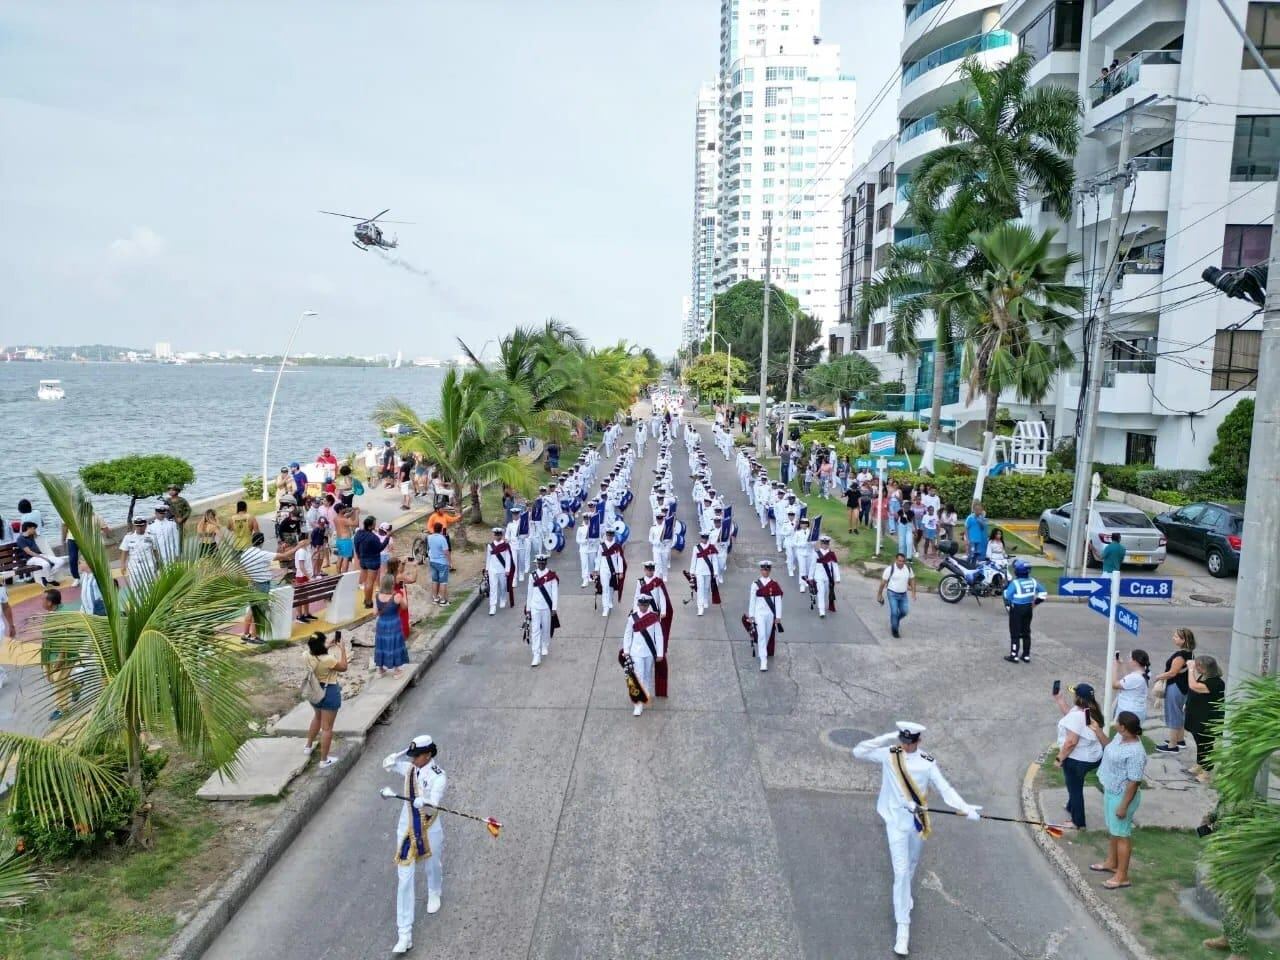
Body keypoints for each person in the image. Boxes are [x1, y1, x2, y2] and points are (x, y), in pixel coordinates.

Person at [852, 722, 982, 956]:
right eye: (903, 741)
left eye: (910, 743)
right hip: (895, 824)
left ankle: (906, 896)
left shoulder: (927, 763)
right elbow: (858, 751)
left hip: (917, 823)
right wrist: (887, 736)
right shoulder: (890, 755)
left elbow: (945, 788)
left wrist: (964, 808)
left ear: (919, 741)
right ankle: (903, 928)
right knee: (900, 873)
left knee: (911, 865)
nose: (907, 747)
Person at [383, 735, 446, 954]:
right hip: (407, 830)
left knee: (433, 865)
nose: (411, 760)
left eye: (415, 756)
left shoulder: (439, 776)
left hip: (429, 829)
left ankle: (434, 890)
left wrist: (426, 803)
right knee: (404, 881)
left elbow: (434, 805)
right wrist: (397, 755)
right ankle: (404, 933)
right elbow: (388, 765)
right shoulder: (410, 768)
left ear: (428, 755)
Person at [1090, 710, 1147, 889]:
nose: (1114, 723)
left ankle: (1122, 876)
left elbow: (1134, 782)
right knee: (1114, 831)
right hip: (1111, 790)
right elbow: (1109, 748)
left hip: (1123, 797)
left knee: (1122, 835)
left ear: (1123, 727)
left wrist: (1123, 807)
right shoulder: (1119, 737)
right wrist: (1098, 731)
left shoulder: (1136, 752)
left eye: (1117, 722)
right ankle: (1111, 862)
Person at [1052, 682, 1104, 830]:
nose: (1072, 694)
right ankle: (1071, 806)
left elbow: (1071, 742)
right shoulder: (1088, 711)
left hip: (1078, 760)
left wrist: (1059, 759)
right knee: (1074, 785)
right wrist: (1060, 700)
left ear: (1079, 698)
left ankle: (1078, 822)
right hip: (1092, 757)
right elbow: (1072, 718)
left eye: (1074, 693)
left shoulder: (1078, 716)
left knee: (1075, 788)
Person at [238, 532, 298, 644]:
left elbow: (242, 570)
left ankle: (246, 634)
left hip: (251, 583)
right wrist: (298, 547)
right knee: (259, 611)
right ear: (262, 542)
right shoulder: (262, 554)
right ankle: (254, 636)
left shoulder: (245, 553)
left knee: (251, 609)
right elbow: (284, 556)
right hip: (262, 584)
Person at [303, 630, 347, 767]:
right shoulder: (329, 660)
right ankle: (324, 760)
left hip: (314, 690)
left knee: (317, 717)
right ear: (320, 644)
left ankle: (308, 746)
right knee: (327, 728)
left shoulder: (305, 655)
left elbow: (317, 655)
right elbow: (344, 667)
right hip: (329, 692)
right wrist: (343, 649)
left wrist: (326, 646)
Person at [620, 594, 664, 716]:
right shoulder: (632, 618)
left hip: (650, 651)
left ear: (648, 605)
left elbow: (659, 635)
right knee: (638, 676)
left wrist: (660, 653)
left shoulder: (654, 618)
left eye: (646, 605)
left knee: (648, 674)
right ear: (638, 604)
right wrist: (626, 650)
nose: (643, 607)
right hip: (636, 652)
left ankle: (647, 693)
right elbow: (628, 634)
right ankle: (638, 704)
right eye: (641, 605)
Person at [1154, 628, 1195, 753]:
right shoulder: (1190, 653)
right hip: (1184, 687)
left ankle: (1172, 745)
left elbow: (1172, 673)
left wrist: (1158, 677)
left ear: (1184, 640)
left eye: (1176, 637)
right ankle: (1180, 740)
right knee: (1179, 713)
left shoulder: (1180, 656)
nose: (1173, 638)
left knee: (1173, 714)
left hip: (1176, 686)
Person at [1185, 655, 1225, 780]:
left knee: (1206, 744)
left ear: (1203, 668)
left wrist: (1190, 669)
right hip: (1198, 716)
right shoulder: (1204, 676)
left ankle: (1207, 772)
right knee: (1199, 742)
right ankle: (1199, 764)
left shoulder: (1216, 682)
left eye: (1197, 665)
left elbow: (1193, 686)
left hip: (1207, 720)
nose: (1195, 667)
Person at [1002, 559, 1047, 664]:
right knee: (1026, 632)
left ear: (1017, 571)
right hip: (1028, 609)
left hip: (1017, 609)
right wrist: (1034, 603)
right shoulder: (1033, 581)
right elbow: (1043, 593)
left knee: (1015, 633)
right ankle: (1026, 655)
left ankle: (1014, 655)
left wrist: (1005, 588)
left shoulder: (1015, 583)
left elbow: (1007, 596)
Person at [746, 559, 783, 672]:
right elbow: (752, 600)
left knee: (766, 635)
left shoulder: (774, 584)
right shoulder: (755, 584)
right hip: (759, 614)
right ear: (760, 570)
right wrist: (751, 615)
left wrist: (778, 616)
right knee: (761, 635)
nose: (765, 572)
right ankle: (763, 659)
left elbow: (777, 601)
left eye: (767, 570)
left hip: (770, 614)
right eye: (763, 569)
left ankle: (763, 651)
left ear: (770, 570)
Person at [525, 553, 558, 667]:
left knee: (546, 628)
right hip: (535, 606)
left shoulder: (551, 575)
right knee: (535, 630)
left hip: (546, 607)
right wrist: (528, 608)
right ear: (536, 563)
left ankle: (545, 645)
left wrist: (554, 608)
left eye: (543, 563)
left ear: (546, 563)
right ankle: (536, 655)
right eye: (539, 563)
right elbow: (530, 592)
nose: (541, 565)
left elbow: (554, 592)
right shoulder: (532, 576)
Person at [13, 520, 69, 586]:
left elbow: (37, 535)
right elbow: (29, 552)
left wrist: (42, 556)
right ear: (28, 528)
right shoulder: (20, 539)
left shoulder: (31, 535)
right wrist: (42, 557)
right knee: (46, 564)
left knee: (60, 561)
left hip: (39, 555)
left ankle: (45, 578)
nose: (35, 530)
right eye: (33, 529)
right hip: (30, 558)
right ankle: (50, 580)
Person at [374, 574, 409, 677]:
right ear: (392, 584)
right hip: (394, 622)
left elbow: (374, 613)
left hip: (381, 623)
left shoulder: (377, 596)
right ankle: (397, 671)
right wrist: (404, 594)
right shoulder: (397, 596)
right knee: (394, 644)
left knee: (381, 644)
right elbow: (404, 607)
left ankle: (380, 669)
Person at [877, 553, 916, 639]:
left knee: (905, 611)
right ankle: (895, 629)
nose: (901, 563)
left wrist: (913, 592)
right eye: (899, 561)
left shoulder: (908, 569)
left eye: (903, 561)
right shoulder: (890, 569)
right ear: (896, 560)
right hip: (892, 593)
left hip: (903, 594)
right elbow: (883, 583)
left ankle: (895, 620)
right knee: (894, 612)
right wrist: (879, 595)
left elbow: (912, 580)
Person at [1110, 649, 1150, 722]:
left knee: (1123, 733)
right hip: (1137, 710)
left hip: (1128, 712)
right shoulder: (1145, 673)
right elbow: (1129, 683)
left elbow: (1114, 685)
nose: (1128, 660)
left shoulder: (1135, 677)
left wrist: (1114, 667)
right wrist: (1121, 665)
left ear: (1135, 662)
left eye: (1130, 658)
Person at [354, 516, 384, 608]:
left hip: (363, 560)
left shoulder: (359, 533)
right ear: (370, 526)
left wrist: (359, 555)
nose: (376, 525)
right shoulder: (373, 537)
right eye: (374, 524)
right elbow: (380, 548)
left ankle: (366, 599)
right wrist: (387, 539)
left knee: (366, 581)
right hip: (372, 561)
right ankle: (368, 601)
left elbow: (356, 544)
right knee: (370, 582)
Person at [119, 517, 158, 585]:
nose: (139, 528)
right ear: (134, 525)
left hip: (149, 566)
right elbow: (124, 552)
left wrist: (158, 562)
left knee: (150, 587)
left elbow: (155, 551)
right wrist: (122, 565)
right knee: (136, 588)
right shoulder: (128, 537)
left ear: (145, 525)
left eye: (141, 525)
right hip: (134, 567)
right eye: (137, 526)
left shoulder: (151, 536)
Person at [485, 527, 515, 615]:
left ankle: (502, 599)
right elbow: (488, 558)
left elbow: (508, 557)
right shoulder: (490, 546)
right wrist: (487, 569)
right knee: (493, 588)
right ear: (494, 535)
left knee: (503, 586)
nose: (497, 536)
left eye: (499, 535)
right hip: (492, 570)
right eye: (496, 535)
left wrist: (507, 569)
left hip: (502, 569)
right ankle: (493, 606)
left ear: (501, 535)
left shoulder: (505, 545)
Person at [690, 531, 719, 616]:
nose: (704, 539)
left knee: (706, 587)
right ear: (701, 538)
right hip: (699, 572)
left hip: (708, 571)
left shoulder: (711, 547)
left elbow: (714, 560)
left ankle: (705, 599)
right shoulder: (696, 548)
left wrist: (716, 571)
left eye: (706, 538)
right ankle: (700, 607)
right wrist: (692, 571)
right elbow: (693, 560)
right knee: (700, 588)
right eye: (703, 537)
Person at [813, 534, 840, 618]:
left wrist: (837, 577)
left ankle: (822, 605)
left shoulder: (831, 554)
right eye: (823, 543)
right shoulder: (816, 554)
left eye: (826, 544)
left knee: (825, 592)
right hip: (818, 576)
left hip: (828, 577)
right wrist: (810, 577)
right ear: (821, 544)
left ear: (828, 544)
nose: (825, 545)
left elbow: (835, 566)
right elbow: (812, 566)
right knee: (820, 592)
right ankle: (822, 610)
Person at [426, 523, 451, 606]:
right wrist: (450, 561)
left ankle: (435, 598)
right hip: (442, 562)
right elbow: (446, 552)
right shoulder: (442, 539)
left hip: (432, 561)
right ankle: (443, 600)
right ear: (441, 529)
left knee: (434, 580)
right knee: (443, 581)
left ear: (433, 529)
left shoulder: (429, 537)